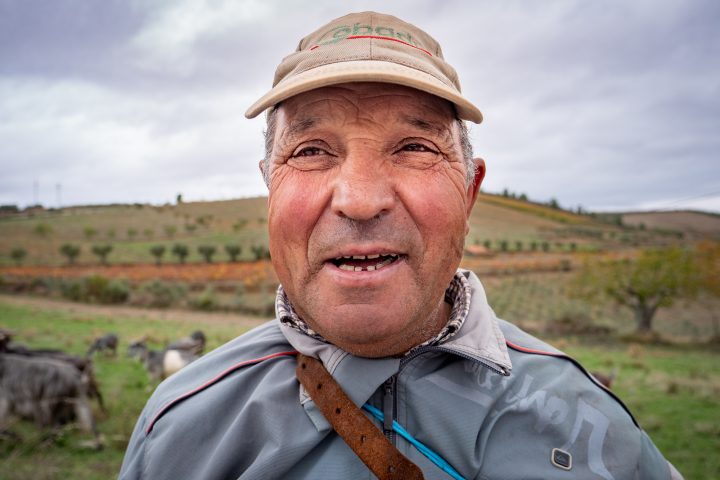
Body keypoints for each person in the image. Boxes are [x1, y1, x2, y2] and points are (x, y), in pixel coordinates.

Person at [120, 11, 682, 480]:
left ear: (470, 190)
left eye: (415, 147)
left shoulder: (597, 430)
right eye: (312, 150)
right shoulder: (181, 427)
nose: (360, 201)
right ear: (271, 187)